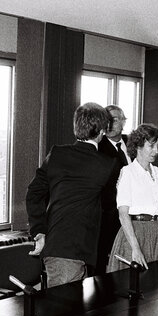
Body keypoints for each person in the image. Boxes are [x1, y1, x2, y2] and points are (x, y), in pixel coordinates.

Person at [25, 102, 114, 287]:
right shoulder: (105, 165)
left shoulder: (57, 154)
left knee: (69, 312)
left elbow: (34, 193)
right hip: (72, 251)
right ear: (102, 131)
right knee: (63, 312)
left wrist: (39, 230)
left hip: (59, 247)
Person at [107, 123, 158, 272]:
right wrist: (135, 248)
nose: (156, 151)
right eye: (151, 146)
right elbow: (123, 214)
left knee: (157, 286)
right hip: (135, 234)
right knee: (130, 285)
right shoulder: (128, 172)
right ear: (138, 146)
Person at [96, 104, 130, 274]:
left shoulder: (134, 144)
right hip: (109, 219)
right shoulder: (98, 148)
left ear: (123, 121)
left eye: (114, 119)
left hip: (135, 215)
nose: (109, 124)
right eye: (106, 120)